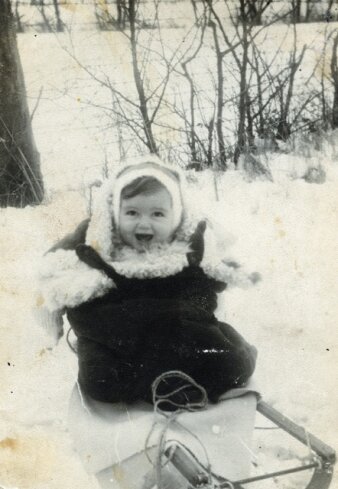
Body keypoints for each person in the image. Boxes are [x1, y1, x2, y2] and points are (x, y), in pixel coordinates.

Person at [36, 156, 257, 409]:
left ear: (175, 217)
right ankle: (155, 384)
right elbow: (55, 276)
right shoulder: (99, 245)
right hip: (117, 334)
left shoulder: (184, 249)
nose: (144, 222)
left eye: (158, 213)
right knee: (100, 380)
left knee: (231, 364)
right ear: (114, 214)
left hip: (175, 327)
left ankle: (177, 382)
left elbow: (206, 287)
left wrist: (194, 313)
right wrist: (54, 317)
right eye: (132, 212)